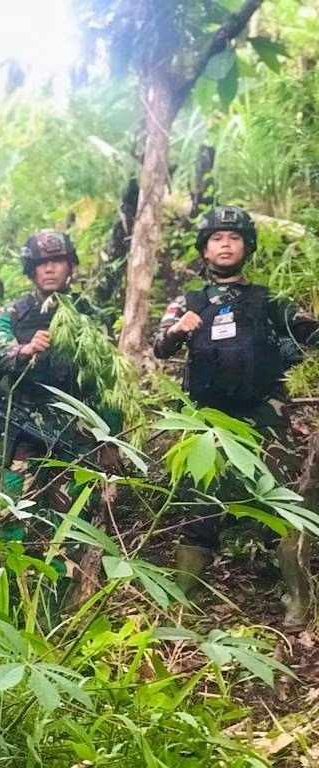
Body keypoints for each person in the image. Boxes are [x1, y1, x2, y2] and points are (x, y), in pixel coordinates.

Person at [152, 205, 319, 629]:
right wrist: (178, 328)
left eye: (234, 237)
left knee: (284, 503)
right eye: (217, 238)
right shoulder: (188, 301)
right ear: (204, 249)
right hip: (206, 420)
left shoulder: (269, 299)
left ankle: (299, 599)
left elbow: (308, 332)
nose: (225, 245)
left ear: (247, 246)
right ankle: (184, 602)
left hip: (265, 414)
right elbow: (160, 346)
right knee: (199, 510)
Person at [0, 230, 118, 610]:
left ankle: (55, 607)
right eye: (41, 263)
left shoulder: (90, 315)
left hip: (74, 435)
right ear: (31, 269)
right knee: (11, 515)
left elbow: (108, 382)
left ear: (69, 266)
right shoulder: (16, 312)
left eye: (56, 261)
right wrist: (23, 350)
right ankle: (10, 600)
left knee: (69, 523)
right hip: (24, 432)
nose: (49, 269)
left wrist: (109, 439)